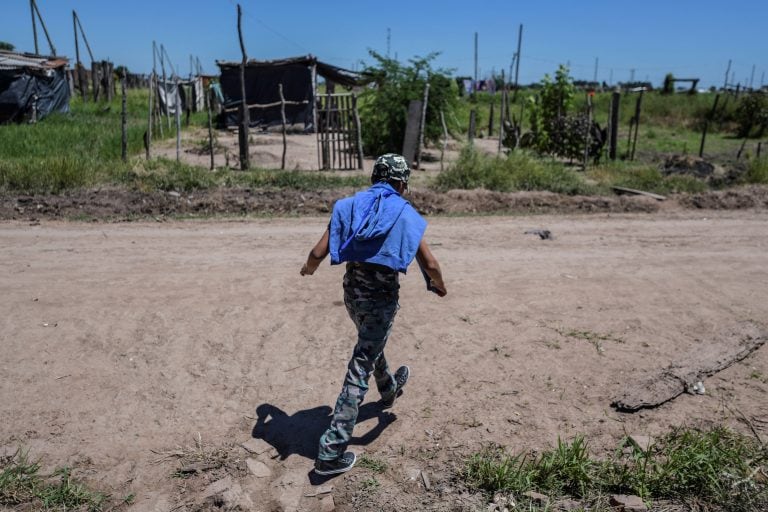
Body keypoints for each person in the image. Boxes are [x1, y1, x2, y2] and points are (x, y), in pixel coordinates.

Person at [300, 153, 447, 476]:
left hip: (352, 295)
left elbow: (316, 253)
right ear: (402, 183)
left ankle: (390, 388)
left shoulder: (349, 206)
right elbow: (431, 264)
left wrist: (307, 270)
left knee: (369, 342)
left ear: (374, 178)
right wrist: (440, 286)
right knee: (361, 363)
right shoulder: (404, 212)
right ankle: (331, 451)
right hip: (381, 301)